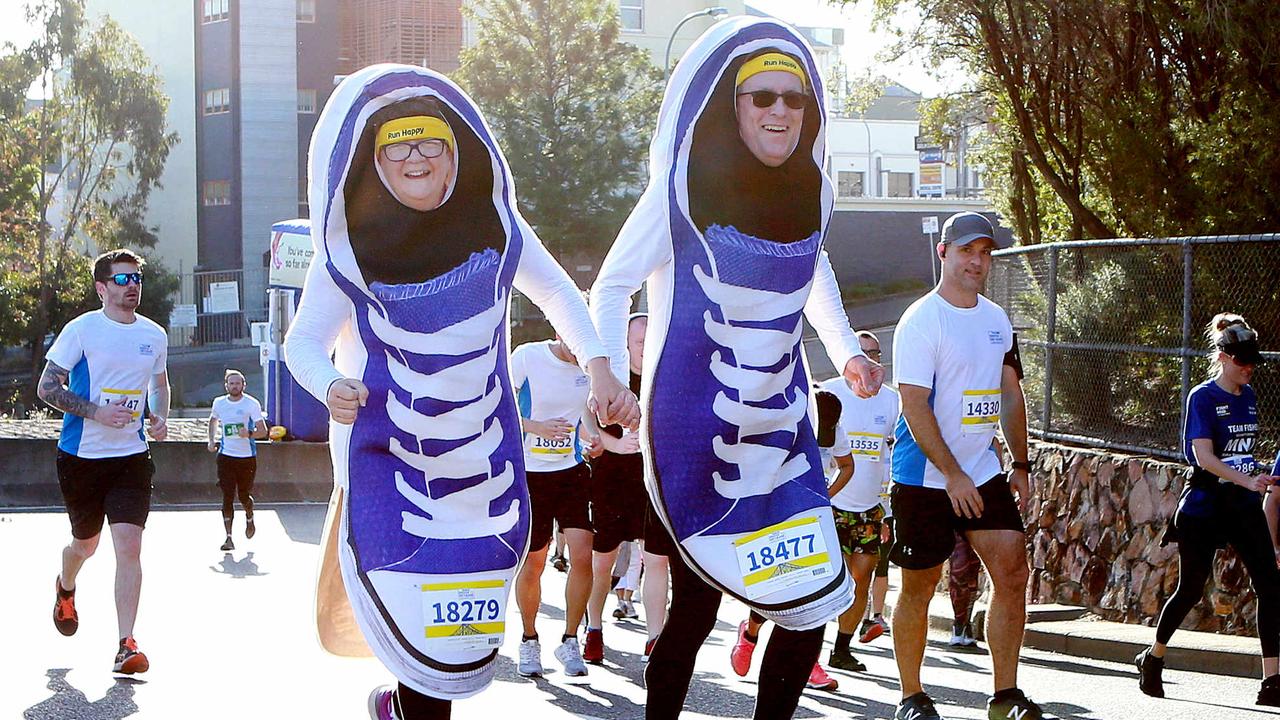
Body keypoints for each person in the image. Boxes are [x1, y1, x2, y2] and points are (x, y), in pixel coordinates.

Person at [285, 65, 637, 720]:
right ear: (378, 163)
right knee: (418, 619)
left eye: (430, 143)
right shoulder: (349, 248)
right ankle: (406, 699)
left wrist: (601, 369)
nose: (414, 157)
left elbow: (560, 292)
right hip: (384, 460)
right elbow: (302, 342)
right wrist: (328, 382)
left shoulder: (498, 229)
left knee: (450, 635)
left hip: (482, 463)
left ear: (455, 156)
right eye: (398, 145)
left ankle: (400, 701)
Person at [590, 18, 883, 719]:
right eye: (762, 98)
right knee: (694, 607)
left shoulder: (813, 190)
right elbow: (611, 283)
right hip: (692, 435)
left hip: (782, 427)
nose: (781, 110)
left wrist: (844, 350)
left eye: (795, 98)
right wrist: (606, 377)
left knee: (809, 598)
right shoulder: (679, 191)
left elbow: (814, 271)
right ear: (734, 107)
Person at [888, 211, 1043, 720]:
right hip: (925, 475)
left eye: (984, 253)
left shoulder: (997, 319)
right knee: (920, 585)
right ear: (944, 253)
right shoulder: (921, 320)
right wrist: (951, 474)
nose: (977, 261)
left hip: (981, 470)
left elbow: (1010, 394)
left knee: (1013, 572)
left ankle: (1005, 697)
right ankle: (912, 697)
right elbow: (914, 405)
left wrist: (1019, 463)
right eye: (966, 251)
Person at [38, 248, 169, 675]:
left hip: (131, 458)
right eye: (123, 280)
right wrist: (96, 413)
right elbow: (46, 387)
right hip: (81, 457)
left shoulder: (154, 335)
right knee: (85, 544)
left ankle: (126, 644)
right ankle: (66, 586)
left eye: (137, 279)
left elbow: (160, 383)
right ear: (101, 288)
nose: (132, 287)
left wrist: (160, 414)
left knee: (129, 547)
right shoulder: (81, 330)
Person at [1137, 314, 1279, 706]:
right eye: (1241, 360)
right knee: (1191, 588)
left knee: (1271, 585)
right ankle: (1153, 657)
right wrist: (1243, 478)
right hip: (1205, 505)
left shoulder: (1248, 396)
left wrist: (1257, 477)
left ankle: (1272, 682)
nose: (1249, 367)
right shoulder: (1203, 396)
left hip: (1243, 504)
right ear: (1222, 356)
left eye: (1252, 361)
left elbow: (1242, 454)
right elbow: (1203, 456)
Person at [729, 388, 850, 692]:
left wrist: (824, 497)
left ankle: (810, 662)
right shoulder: (772, 410)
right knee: (772, 587)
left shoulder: (829, 410)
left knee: (810, 589)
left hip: (809, 517)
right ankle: (750, 634)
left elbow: (847, 465)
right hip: (768, 512)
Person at [509, 332, 597, 677]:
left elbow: (584, 411)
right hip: (531, 474)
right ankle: (529, 640)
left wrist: (593, 437)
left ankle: (570, 639)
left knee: (582, 554)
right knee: (534, 562)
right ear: (560, 329)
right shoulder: (528, 356)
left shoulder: (592, 366)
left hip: (572, 471)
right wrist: (536, 426)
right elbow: (497, 406)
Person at [820, 331, 900, 670]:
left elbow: (893, 453)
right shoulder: (830, 392)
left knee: (861, 578)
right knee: (824, 580)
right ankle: (808, 655)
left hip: (870, 507)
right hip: (831, 504)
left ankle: (841, 649)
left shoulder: (893, 400)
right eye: (862, 354)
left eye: (875, 354)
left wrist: (889, 510)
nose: (870, 362)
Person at [583, 313, 650, 664]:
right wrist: (612, 445)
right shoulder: (609, 375)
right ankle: (593, 629)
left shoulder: (662, 376)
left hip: (651, 479)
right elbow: (585, 413)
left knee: (656, 559)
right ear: (625, 346)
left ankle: (657, 639)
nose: (645, 348)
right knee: (602, 562)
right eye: (639, 342)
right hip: (611, 478)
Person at [206, 368, 268, 551]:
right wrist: (211, 440)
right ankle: (228, 537)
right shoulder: (219, 403)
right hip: (226, 456)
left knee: (243, 495)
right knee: (227, 496)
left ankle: (249, 515)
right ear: (226, 385)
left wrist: (248, 433)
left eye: (238, 383)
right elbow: (213, 420)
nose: (234, 386)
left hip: (246, 458)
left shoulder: (251, 404)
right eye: (231, 383)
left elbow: (263, 431)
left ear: (243, 385)